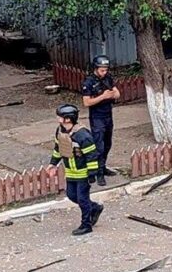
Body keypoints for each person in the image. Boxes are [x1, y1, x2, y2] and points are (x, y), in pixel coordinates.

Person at [47, 104, 104, 235]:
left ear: (68, 119)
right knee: (72, 195)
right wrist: (53, 164)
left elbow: (92, 155)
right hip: (70, 171)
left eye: (60, 116)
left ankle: (86, 225)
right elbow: (58, 149)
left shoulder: (83, 135)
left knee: (82, 199)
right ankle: (95, 207)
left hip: (82, 173)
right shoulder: (60, 131)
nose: (57, 118)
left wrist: (92, 174)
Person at [82, 55, 120, 186]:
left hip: (108, 115)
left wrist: (112, 94)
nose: (105, 72)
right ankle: (98, 173)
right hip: (97, 117)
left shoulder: (108, 78)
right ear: (96, 69)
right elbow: (86, 102)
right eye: (102, 70)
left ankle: (103, 167)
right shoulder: (89, 82)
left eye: (106, 69)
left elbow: (117, 93)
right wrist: (102, 97)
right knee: (99, 146)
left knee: (108, 143)